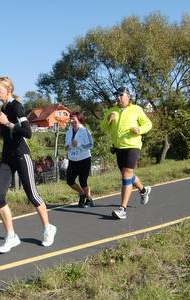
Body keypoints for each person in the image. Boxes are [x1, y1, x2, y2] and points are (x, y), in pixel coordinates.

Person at [0, 76, 57, 253]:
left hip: (22, 156)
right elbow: (11, 132)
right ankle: (11, 236)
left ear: (9, 89)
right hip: (7, 157)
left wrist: (8, 123)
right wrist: (3, 131)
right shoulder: (4, 107)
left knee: (32, 195)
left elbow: (27, 132)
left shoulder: (16, 106)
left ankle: (48, 228)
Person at [101, 87, 153, 220]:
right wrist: (108, 120)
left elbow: (148, 124)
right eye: (116, 95)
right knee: (128, 175)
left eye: (120, 95)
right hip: (119, 148)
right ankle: (143, 190)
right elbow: (103, 128)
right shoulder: (112, 111)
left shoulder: (136, 109)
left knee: (126, 174)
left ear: (127, 96)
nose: (117, 97)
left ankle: (122, 209)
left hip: (133, 146)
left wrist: (139, 129)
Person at [64, 111, 94, 207]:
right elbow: (66, 145)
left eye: (74, 119)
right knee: (70, 181)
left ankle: (89, 200)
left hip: (84, 159)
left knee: (83, 181)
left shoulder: (85, 131)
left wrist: (79, 145)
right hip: (72, 159)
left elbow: (91, 144)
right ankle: (82, 194)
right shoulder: (68, 132)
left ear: (79, 120)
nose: (72, 121)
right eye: (71, 119)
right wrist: (67, 147)